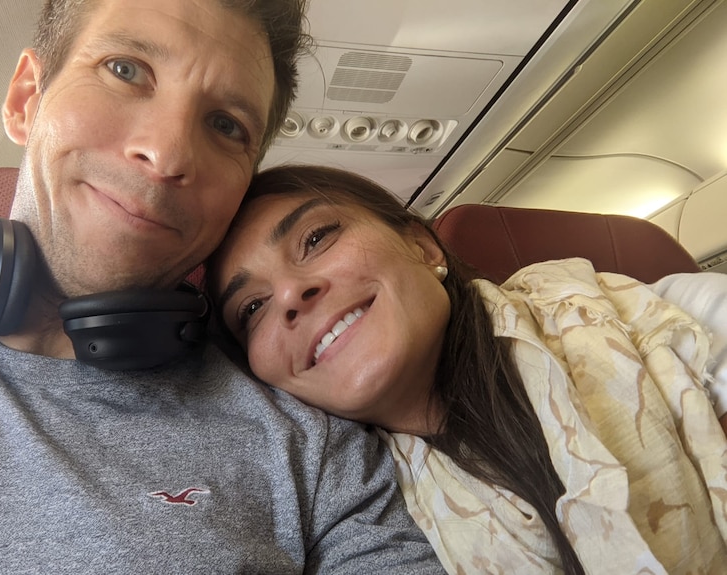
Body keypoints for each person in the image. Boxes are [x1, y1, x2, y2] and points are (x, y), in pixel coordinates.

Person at [0, 2, 444, 573]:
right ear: (26, 99)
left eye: (226, 125)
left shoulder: (312, 446)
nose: (167, 155)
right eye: (126, 69)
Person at [207, 164, 727, 574]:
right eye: (252, 309)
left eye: (316, 238)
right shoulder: (354, 522)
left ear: (422, 245)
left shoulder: (658, 320)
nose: (291, 294)